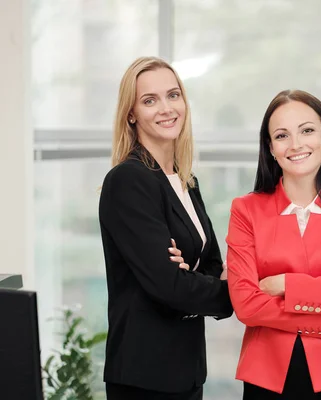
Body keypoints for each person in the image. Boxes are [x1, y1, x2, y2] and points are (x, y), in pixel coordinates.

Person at [225, 89, 321, 399]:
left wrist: (285, 284)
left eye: (307, 130)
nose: (296, 144)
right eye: (282, 135)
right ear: (270, 148)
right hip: (269, 379)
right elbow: (246, 304)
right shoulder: (246, 210)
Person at [98, 56, 233, 400]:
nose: (166, 108)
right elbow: (168, 286)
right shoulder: (128, 180)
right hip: (145, 377)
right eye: (149, 100)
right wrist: (232, 293)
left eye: (173, 95)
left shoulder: (187, 182)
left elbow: (214, 264)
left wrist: (191, 279)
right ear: (131, 114)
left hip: (186, 372)